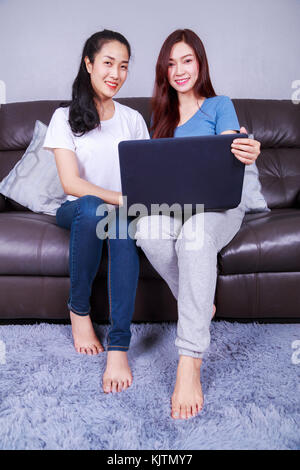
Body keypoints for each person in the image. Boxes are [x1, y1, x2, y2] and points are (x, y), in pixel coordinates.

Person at [135, 29, 261, 420]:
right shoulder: (160, 116)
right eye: (171, 63)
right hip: (176, 207)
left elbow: (231, 148)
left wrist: (246, 148)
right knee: (145, 229)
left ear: (200, 63)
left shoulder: (220, 105)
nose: (179, 70)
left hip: (218, 208)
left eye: (186, 60)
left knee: (194, 235)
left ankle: (189, 361)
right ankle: (200, 303)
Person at [43, 30, 149, 394]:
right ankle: (79, 310)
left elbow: (146, 177)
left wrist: (125, 204)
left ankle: (118, 345)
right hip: (77, 210)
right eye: (108, 63)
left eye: (123, 66)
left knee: (119, 224)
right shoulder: (64, 117)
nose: (116, 74)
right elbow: (71, 183)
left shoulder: (133, 119)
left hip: (119, 214)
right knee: (92, 208)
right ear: (89, 64)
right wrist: (118, 198)